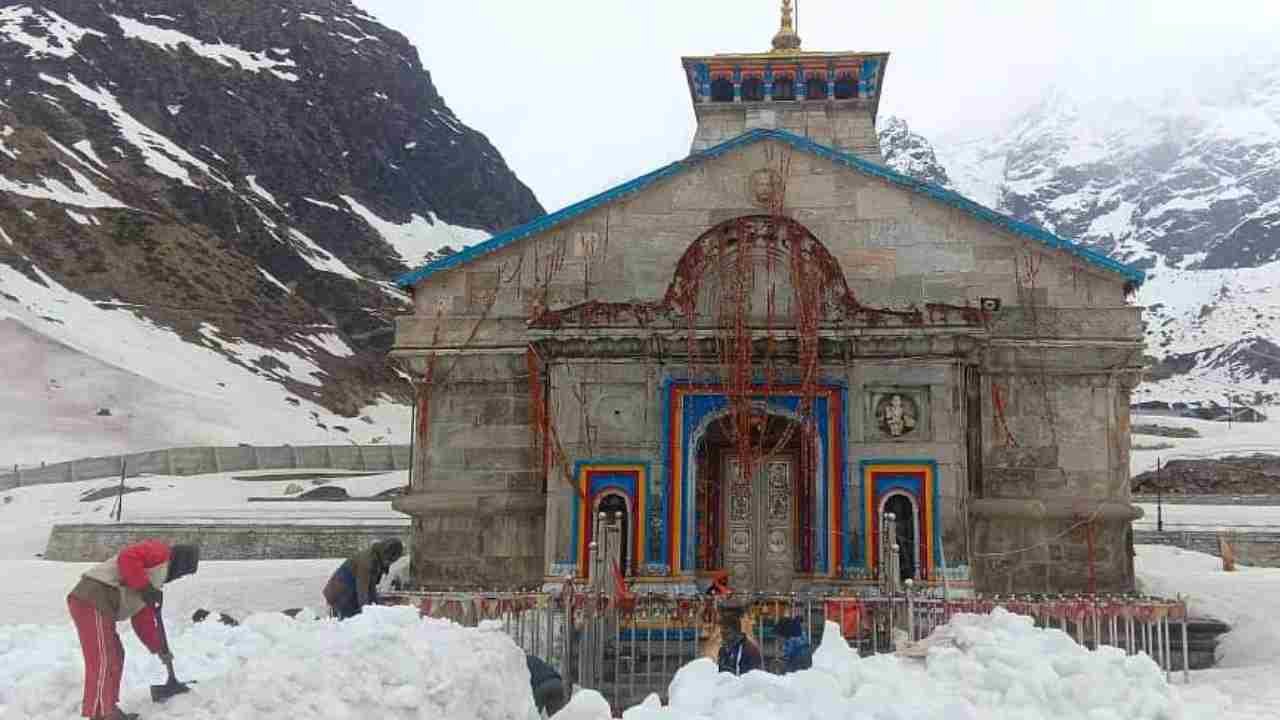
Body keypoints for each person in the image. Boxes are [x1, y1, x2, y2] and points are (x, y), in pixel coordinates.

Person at [66, 540, 200, 720]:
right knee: (103, 658)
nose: (179, 577)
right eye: (184, 573)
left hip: (104, 606)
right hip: (92, 598)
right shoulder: (160, 552)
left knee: (115, 654)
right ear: (182, 563)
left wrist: (159, 648)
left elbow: (142, 620)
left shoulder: (155, 581)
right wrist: (144, 588)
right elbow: (127, 558)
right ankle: (101, 714)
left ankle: (108, 708)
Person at [323, 538, 404, 619]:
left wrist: (378, 605)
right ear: (385, 553)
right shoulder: (367, 561)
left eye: (392, 561)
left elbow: (371, 587)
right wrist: (366, 613)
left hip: (351, 591)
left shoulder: (377, 558)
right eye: (389, 560)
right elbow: (362, 591)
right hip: (340, 593)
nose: (389, 563)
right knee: (349, 623)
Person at [715, 606, 762, 676]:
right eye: (722, 633)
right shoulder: (723, 650)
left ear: (736, 631)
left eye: (727, 633)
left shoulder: (750, 650)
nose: (723, 637)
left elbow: (755, 678)